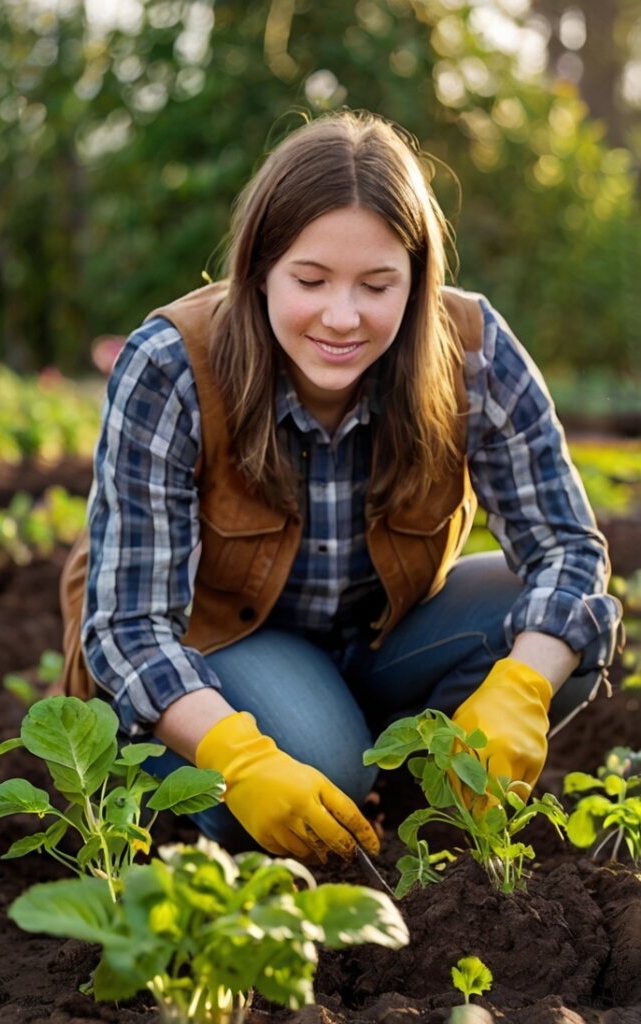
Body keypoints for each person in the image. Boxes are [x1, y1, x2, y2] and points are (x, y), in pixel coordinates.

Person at [61, 109, 622, 865]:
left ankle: (432, 830)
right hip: (224, 647)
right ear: (260, 267)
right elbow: (127, 631)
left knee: (558, 628)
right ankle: (282, 788)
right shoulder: (173, 366)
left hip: (378, 640)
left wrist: (522, 684)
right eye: (311, 279)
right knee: (323, 763)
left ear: (418, 280)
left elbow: (569, 554)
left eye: (377, 284)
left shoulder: (474, 353)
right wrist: (239, 757)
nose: (342, 316)